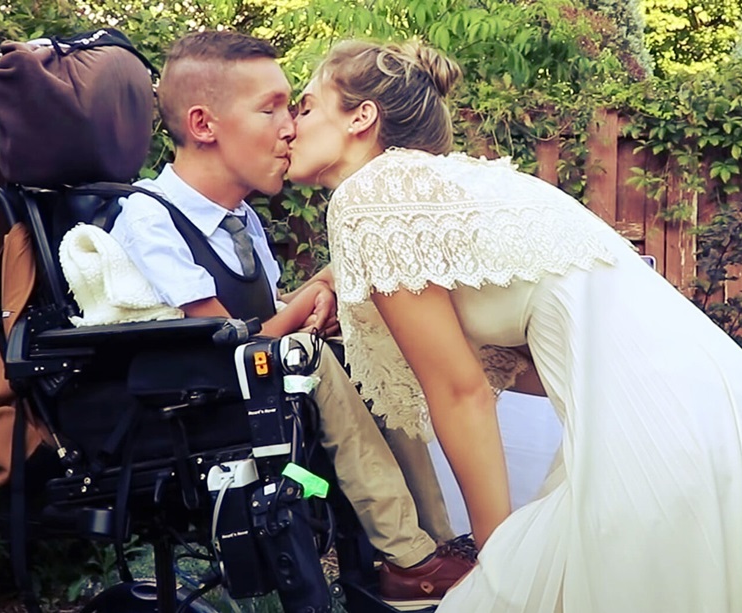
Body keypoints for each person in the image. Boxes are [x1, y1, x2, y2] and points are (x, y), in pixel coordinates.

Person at [286, 38, 742, 612]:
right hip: (725, 409)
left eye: (304, 106)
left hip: (663, 425)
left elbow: (460, 391)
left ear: (361, 117)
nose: (289, 126)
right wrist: (325, 286)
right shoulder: (435, 191)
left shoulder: (372, 198)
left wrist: (495, 561)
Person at [108, 30, 474, 609]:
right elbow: (223, 347)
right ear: (204, 125)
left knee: (371, 342)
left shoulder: (242, 220)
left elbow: (265, 321)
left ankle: (440, 539)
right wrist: (309, 303)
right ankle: (408, 555)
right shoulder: (151, 220)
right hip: (192, 407)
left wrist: (317, 300)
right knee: (313, 355)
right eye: (271, 108)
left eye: (292, 107)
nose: (290, 126)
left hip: (262, 391)